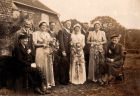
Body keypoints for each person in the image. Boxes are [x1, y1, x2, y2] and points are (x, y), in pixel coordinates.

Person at [33, 22, 55, 89]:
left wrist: (52, 46)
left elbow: (50, 43)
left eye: (45, 26)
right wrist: (43, 44)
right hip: (39, 51)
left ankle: (48, 83)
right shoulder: (35, 33)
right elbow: (34, 44)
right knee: (40, 66)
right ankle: (40, 83)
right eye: (42, 25)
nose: (44, 27)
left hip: (47, 51)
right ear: (39, 26)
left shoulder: (48, 34)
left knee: (47, 66)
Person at [87, 21, 107, 85]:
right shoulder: (91, 32)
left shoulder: (102, 32)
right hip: (93, 49)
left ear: (100, 26)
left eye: (98, 25)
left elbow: (105, 40)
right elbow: (87, 41)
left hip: (100, 49)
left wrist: (100, 43)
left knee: (99, 63)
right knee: (93, 62)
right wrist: (93, 43)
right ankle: (92, 77)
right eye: (96, 25)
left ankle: (99, 77)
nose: (97, 26)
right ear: (94, 26)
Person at [57, 20, 71, 85]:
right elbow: (61, 42)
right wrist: (63, 50)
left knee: (67, 65)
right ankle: (62, 80)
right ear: (64, 24)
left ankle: (66, 80)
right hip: (64, 51)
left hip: (69, 51)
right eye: (67, 23)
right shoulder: (61, 31)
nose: (69, 25)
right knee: (63, 65)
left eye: (70, 24)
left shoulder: (69, 32)